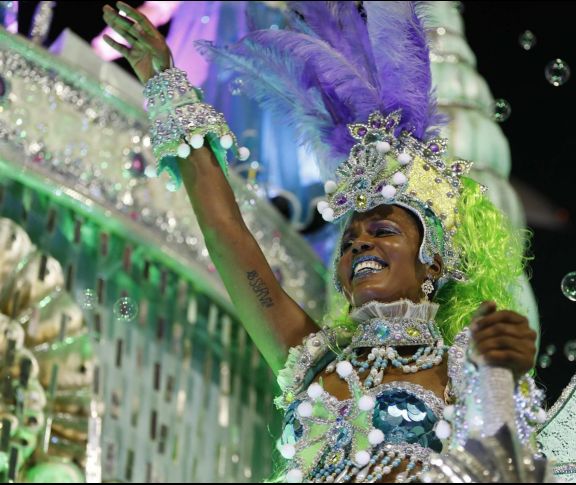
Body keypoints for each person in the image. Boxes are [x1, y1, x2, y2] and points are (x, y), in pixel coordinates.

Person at [101, 1, 542, 482]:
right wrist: (164, 82)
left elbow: (506, 471)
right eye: (349, 240)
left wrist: (500, 378)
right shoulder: (312, 361)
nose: (359, 245)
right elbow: (226, 232)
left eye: (383, 231)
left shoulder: (466, 370)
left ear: (433, 261)